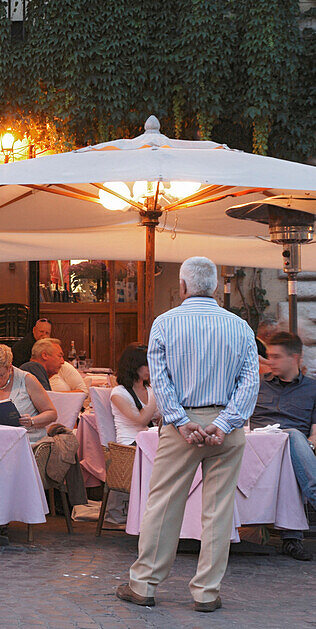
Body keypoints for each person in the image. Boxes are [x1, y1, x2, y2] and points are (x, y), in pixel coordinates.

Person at [117, 257, 259, 614]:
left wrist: (181, 422)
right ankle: (207, 592)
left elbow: (159, 380)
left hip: (183, 426)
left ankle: (145, 584)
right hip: (225, 424)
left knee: (164, 504)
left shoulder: (165, 323)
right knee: (219, 509)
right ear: (213, 287)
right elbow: (249, 382)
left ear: (182, 287)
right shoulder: (240, 326)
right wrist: (225, 423)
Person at [249, 331, 316, 561]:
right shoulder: (257, 384)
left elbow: (315, 435)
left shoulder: (312, 389)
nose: (270, 362)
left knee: (294, 439)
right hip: (257, 451)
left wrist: (307, 446)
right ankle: (292, 537)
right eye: (269, 356)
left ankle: (292, 539)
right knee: (293, 437)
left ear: (294, 358)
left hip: (294, 450)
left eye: (276, 357)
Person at [0, 342, 57, 445]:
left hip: (27, 443)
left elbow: (52, 413)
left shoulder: (27, 380)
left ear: (9, 368)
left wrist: (32, 421)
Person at [110, 344, 157, 445]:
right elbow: (142, 420)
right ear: (134, 366)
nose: (150, 368)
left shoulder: (150, 390)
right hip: (131, 443)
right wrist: (158, 392)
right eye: (146, 364)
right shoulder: (118, 393)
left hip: (150, 440)